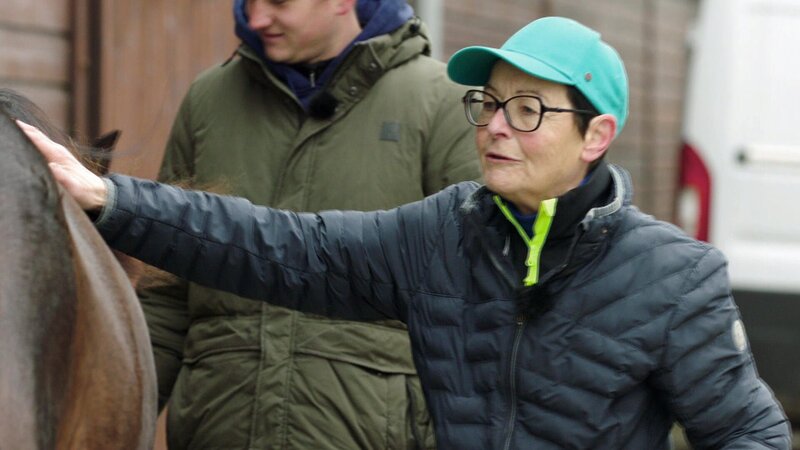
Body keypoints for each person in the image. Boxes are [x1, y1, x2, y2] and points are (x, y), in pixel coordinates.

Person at [22, 16, 791, 450]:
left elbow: (748, 435)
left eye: (528, 110)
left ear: (597, 136)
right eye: (489, 104)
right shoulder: (441, 236)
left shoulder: (673, 277)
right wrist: (110, 198)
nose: (496, 127)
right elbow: (279, 247)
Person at [136, 0, 479, 448]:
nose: (256, 19)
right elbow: (165, 294)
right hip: (217, 428)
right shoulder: (209, 100)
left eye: (279, 2)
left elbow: (478, 303)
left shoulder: (441, 100)